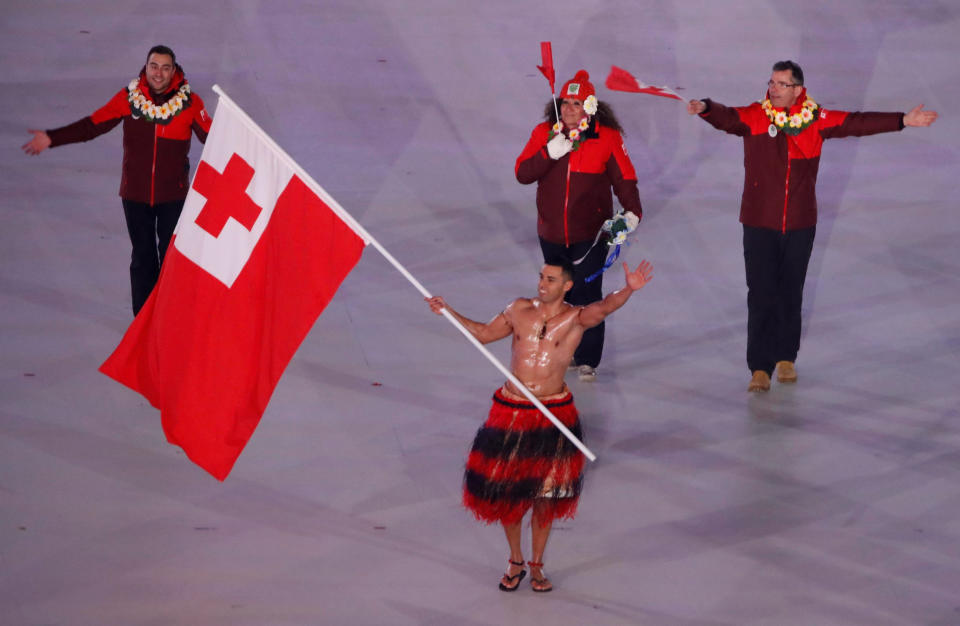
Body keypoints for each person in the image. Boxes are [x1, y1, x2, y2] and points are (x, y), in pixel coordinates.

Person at [686, 60, 937, 392]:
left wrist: (902, 120)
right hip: (759, 222)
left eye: (781, 84)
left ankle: (785, 357)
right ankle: (759, 367)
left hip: (801, 223)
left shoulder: (816, 120)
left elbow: (856, 123)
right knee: (761, 293)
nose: (773, 88)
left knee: (791, 291)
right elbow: (728, 118)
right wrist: (705, 107)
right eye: (772, 82)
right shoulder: (756, 115)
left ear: (798, 90)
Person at [426, 258, 653, 592]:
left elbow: (605, 307)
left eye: (550, 279)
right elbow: (485, 335)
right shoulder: (518, 309)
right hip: (512, 410)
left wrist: (628, 290)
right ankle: (515, 560)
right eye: (541, 277)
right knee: (509, 493)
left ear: (567, 286)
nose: (542, 284)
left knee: (547, 496)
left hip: (553, 413)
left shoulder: (576, 318)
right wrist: (448, 311)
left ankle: (537, 565)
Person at [22, 45, 212, 315]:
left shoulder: (191, 103)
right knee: (143, 257)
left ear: (174, 71)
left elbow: (213, 137)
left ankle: (171, 318)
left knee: (173, 260)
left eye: (165, 67)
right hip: (134, 195)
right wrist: (53, 137)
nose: (158, 73)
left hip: (174, 196)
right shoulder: (128, 98)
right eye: (153, 66)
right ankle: (143, 323)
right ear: (146, 68)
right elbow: (92, 125)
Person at [515, 70, 644, 382]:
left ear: (590, 106)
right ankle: (561, 351)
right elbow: (522, 172)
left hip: (590, 234)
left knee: (587, 293)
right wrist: (550, 152)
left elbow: (625, 179)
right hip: (551, 233)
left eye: (577, 103)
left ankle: (587, 358)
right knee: (556, 296)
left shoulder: (607, 137)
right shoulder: (545, 133)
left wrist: (632, 212)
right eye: (565, 103)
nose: (570, 109)